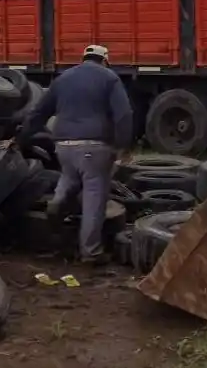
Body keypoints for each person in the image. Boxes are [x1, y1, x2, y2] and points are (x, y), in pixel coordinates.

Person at [17, 43, 133, 265]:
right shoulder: (109, 78)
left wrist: (20, 138)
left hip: (63, 146)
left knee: (69, 177)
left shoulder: (63, 78)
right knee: (94, 200)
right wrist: (123, 145)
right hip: (94, 147)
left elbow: (39, 112)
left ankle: (59, 199)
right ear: (105, 60)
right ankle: (91, 252)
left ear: (83, 58)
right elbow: (124, 114)